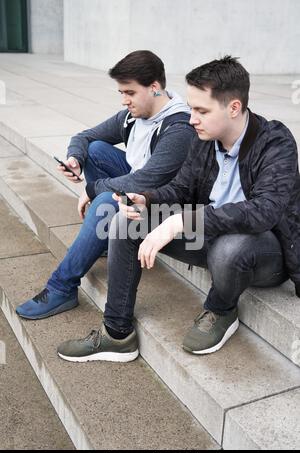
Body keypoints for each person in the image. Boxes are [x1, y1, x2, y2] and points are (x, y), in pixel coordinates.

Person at [56, 55, 300, 363]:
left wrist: (179, 222)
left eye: (201, 110)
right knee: (124, 222)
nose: (191, 118)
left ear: (234, 107)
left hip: (264, 252)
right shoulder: (203, 137)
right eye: (192, 107)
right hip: (207, 232)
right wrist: (145, 198)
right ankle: (117, 335)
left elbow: (264, 212)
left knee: (230, 247)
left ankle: (221, 310)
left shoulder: (275, 142)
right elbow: (181, 189)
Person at [16, 50, 194, 320]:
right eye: (121, 93)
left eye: (130, 93)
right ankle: (104, 237)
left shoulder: (179, 129)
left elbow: (141, 181)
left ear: (155, 88)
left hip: (168, 208)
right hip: (140, 194)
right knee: (96, 149)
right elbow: (84, 137)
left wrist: (91, 190)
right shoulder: (132, 116)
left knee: (104, 201)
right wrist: (75, 158)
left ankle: (61, 287)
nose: (124, 101)